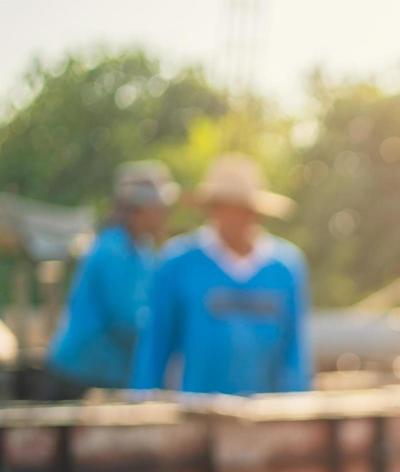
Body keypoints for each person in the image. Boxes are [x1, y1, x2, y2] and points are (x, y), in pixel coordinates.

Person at [130, 154, 311, 395]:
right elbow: (155, 346)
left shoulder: (286, 267)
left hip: (267, 417)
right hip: (195, 415)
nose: (233, 218)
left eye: (241, 209)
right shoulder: (178, 262)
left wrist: (295, 411)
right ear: (211, 209)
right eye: (225, 207)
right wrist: (144, 407)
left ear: (255, 212)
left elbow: (294, 353)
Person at [47, 161, 178, 394]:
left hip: (108, 374)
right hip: (81, 375)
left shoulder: (142, 250)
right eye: (158, 208)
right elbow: (127, 318)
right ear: (138, 210)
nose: (164, 215)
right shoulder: (111, 251)